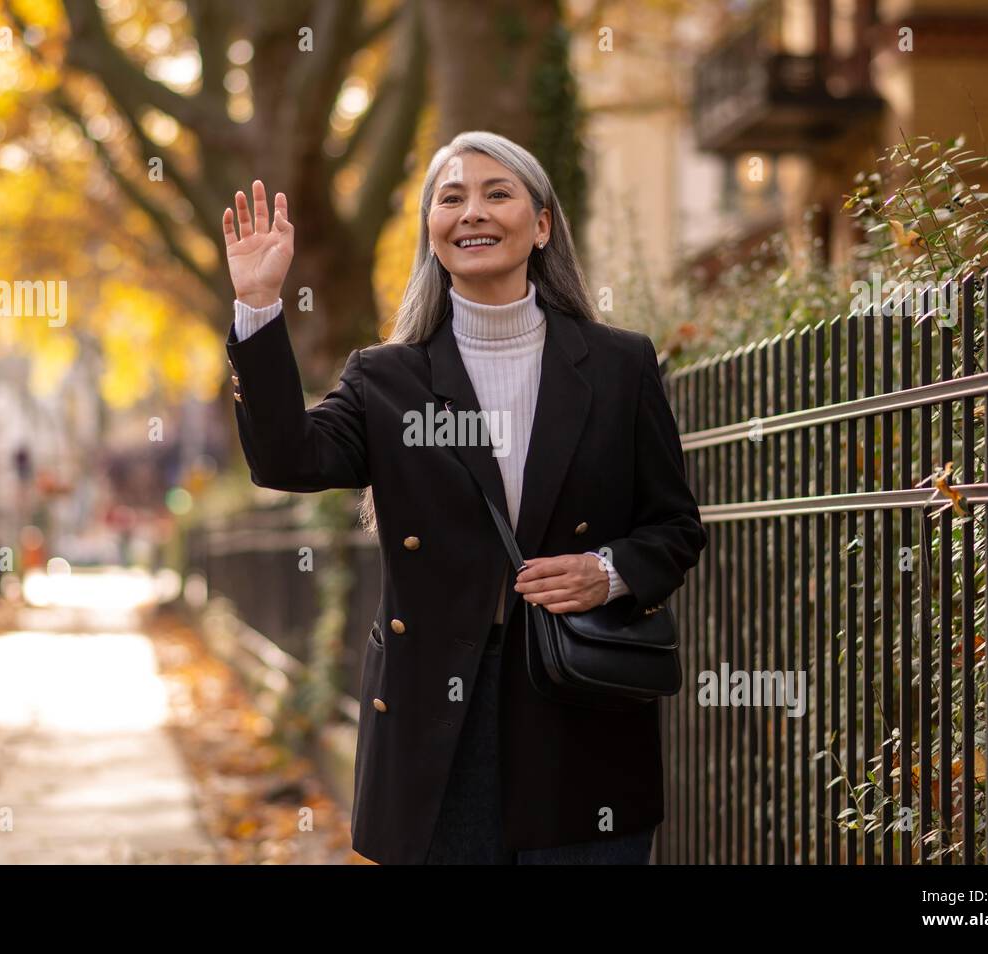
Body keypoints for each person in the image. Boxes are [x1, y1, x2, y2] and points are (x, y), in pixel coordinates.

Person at [221, 130, 708, 865]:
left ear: (541, 224)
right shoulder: (386, 379)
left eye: (496, 193)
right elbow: (287, 458)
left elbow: (674, 527)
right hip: (435, 725)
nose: (471, 211)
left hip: (578, 712)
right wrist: (258, 307)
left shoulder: (618, 365)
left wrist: (604, 571)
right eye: (450, 198)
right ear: (432, 231)